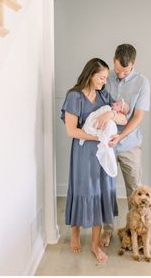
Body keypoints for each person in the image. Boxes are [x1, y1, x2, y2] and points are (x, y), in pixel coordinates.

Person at [61, 58, 124, 263]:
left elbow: (123, 118)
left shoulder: (103, 95)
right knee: (82, 190)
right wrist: (98, 137)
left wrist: (111, 114)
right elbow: (71, 131)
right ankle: (76, 231)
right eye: (101, 77)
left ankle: (95, 244)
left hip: (102, 153)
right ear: (90, 74)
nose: (104, 82)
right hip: (84, 153)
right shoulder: (74, 96)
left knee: (99, 192)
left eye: (106, 78)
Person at [98, 43, 150, 247]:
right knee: (107, 190)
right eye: (117, 70)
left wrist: (121, 136)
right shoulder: (105, 77)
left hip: (129, 145)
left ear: (133, 65)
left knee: (135, 192)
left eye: (125, 71)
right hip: (107, 145)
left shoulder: (142, 83)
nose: (119, 75)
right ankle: (107, 230)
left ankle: (133, 232)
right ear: (114, 61)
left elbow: (138, 116)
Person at [79, 99, 130, 177]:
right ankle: (100, 136)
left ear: (120, 111)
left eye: (117, 105)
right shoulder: (107, 108)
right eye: (115, 103)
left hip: (105, 132)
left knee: (111, 125)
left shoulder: (117, 115)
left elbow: (124, 121)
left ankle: (104, 142)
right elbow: (97, 114)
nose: (113, 104)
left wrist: (111, 114)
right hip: (95, 125)